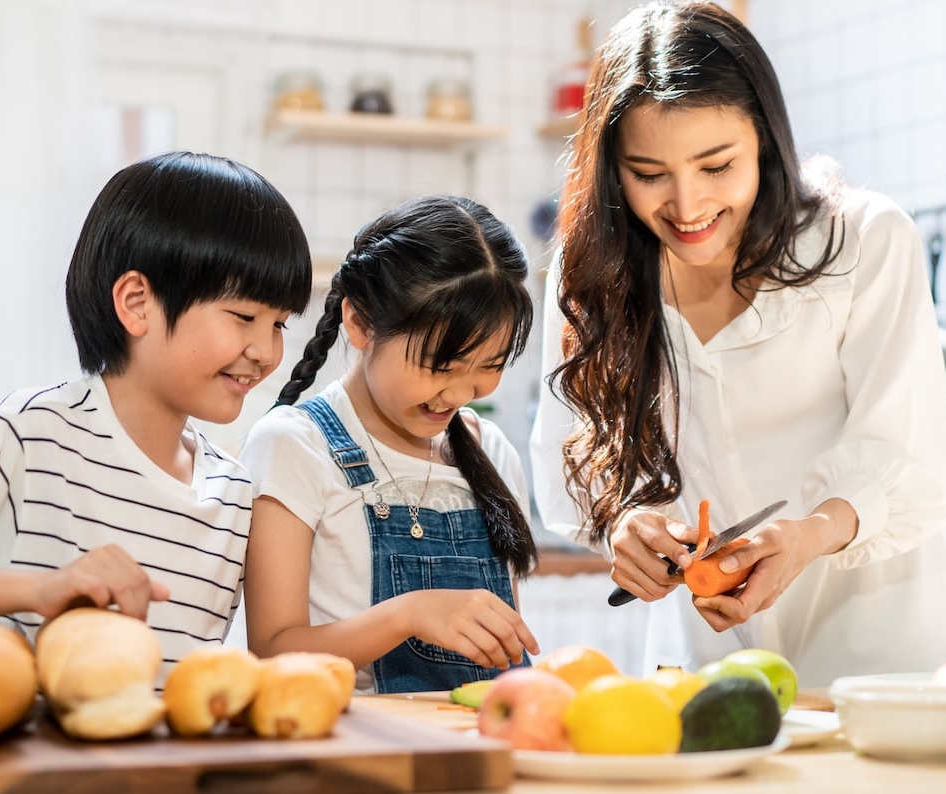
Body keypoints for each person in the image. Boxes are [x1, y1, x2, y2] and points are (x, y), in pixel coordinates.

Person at [530, 1, 946, 686]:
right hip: (706, 662)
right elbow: (573, 454)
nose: (686, 206)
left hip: (875, 654)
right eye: (648, 173)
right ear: (612, 168)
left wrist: (808, 534)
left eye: (716, 165)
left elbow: (911, 453)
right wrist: (624, 524)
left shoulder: (863, 240)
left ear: (763, 138)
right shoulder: (590, 277)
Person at [0, 151, 312, 680]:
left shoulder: (233, 491)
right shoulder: (28, 433)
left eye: (279, 325)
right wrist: (35, 590)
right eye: (245, 316)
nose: (267, 352)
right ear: (136, 302)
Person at [240, 195, 540, 694]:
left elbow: (502, 650)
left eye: (489, 365)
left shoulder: (491, 451)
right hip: (357, 753)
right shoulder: (295, 446)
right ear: (358, 323)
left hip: (479, 748)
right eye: (440, 367)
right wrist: (408, 614)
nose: (461, 395)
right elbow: (271, 652)